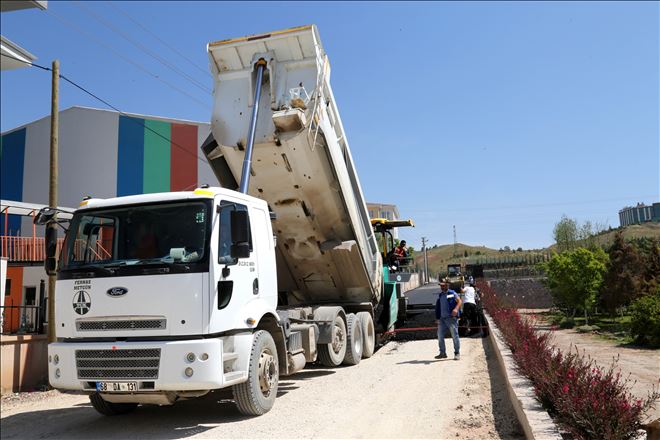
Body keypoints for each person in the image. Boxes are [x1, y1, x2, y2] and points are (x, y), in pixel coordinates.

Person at [435, 282, 462, 360]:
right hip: (442, 319)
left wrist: (456, 309)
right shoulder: (440, 295)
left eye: (443, 286)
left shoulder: (452, 293)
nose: (442, 287)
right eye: (441, 286)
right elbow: (439, 307)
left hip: (451, 318)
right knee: (440, 336)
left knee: (454, 335)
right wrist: (437, 318)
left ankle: (457, 352)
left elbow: (460, 301)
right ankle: (442, 353)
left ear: (447, 285)